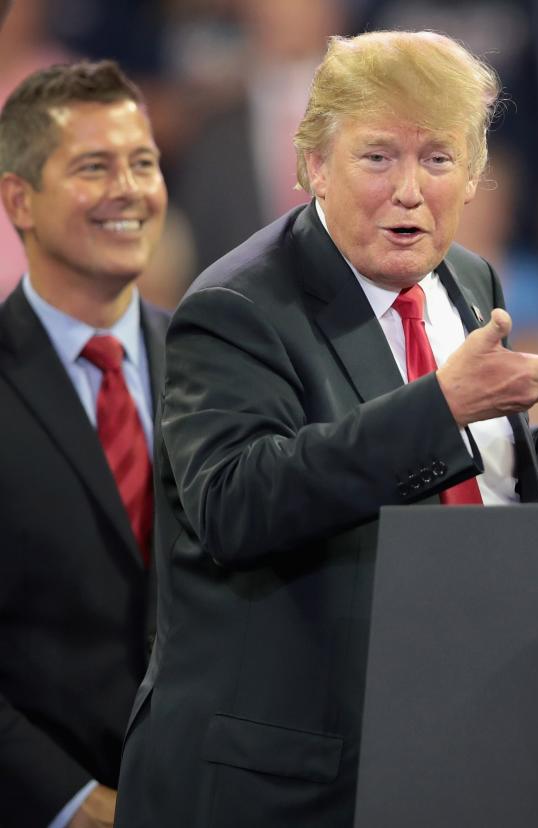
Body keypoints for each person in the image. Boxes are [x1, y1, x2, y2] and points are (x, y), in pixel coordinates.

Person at [114, 30, 538, 828]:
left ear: (476, 176)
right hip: (283, 783)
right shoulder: (238, 308)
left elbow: (504, 472)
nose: (410, 192)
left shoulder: (464, 279)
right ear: (314, 162)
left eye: (438, 160)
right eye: (378, 157)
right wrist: (437, 408)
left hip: (443, 746)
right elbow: (236, 503)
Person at [0, 61, 168, 828]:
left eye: (143, 163)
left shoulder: (223, 364)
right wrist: (71, 801)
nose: (128, 190)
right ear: (19, 201)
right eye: (94, 167)